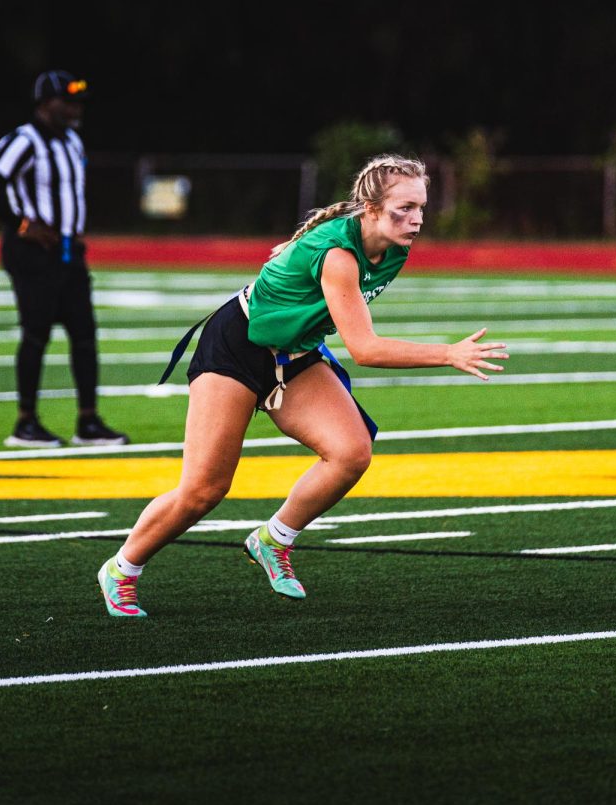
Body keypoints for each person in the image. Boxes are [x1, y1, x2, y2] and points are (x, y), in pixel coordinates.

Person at [97, 153, 508, 617]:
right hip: (238, 347)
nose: (415, 221)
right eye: (403, 210)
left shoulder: (394, 247)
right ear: (370, 208)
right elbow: (366, 349)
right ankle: (122, 570)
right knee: (204, 490)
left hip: (294, 353)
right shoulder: (338, 253)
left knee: (351, 452)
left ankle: (274, 539)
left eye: (420, 209)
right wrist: (448, 353)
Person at [0, 70, 130, 449]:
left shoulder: (72, 140)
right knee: (36, 333)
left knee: (84, 337)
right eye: (67, 101)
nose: (74, 108)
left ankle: (88, 421)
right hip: (32, 252)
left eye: (77, 101)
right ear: (45, 103)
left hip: (67, 252)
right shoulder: (24, 140)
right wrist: (22, 223)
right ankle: (25, 422)